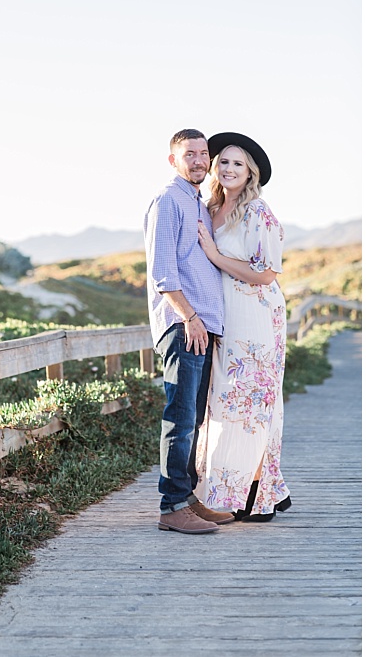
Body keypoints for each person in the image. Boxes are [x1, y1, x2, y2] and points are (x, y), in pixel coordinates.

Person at [192, 131, 291, 523]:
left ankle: (251, 493)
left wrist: (214, 255)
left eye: (238, 163)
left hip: (255, 314)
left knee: (249, 401)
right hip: (224, 313)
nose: (228, 168)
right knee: (225, 400)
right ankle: (266, 484)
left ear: (250, 172)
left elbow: (266, 274)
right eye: (224, 161)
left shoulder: (257, 212)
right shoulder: (211, 206)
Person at [144, 128, 236, 534]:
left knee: (194, 419)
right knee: (180, 418)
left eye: (204, 154)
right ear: (173, 160)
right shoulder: (168, 201)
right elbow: (163, 273)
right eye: (189, 154)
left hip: (202, 326)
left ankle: (187, 497)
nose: (199, 160)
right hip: (185, 327)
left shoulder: (196, 202)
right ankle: (172, 506)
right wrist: (190, 318)